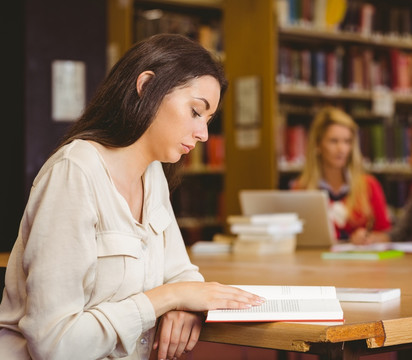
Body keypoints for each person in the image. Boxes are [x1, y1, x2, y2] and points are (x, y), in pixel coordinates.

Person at [0, 34, 265, 360]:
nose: (204, 134)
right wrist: (169, 298)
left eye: (208, 121)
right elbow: (55, 344)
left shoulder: (152, 174)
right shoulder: (74, 173)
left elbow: (180, 273)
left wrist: (184, 303)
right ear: (147, 86)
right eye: (196, 112)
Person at [290, 106, 391, 243]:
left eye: (347, 141)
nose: (341, 149)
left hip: (359, 263)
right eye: (334, 141)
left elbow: (386, 235)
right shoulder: (301, 189)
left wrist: (370, 238)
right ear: (318, 145)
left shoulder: (369, 185)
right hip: (317, 262)